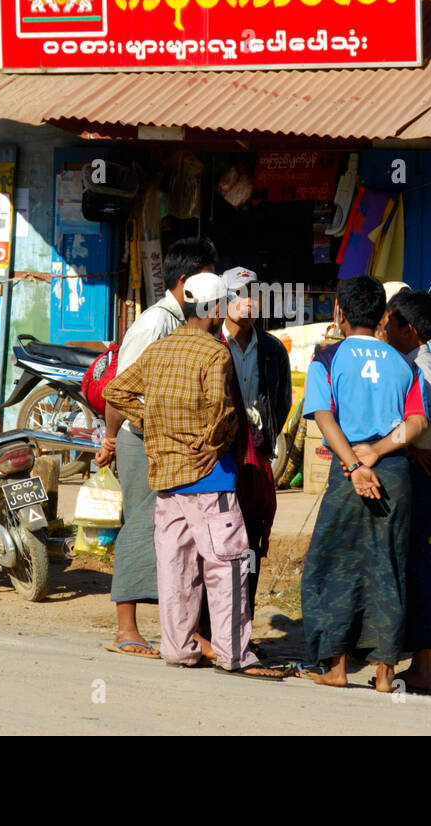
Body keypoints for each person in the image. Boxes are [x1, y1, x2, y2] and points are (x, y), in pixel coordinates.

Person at [104, 273, 286, 681]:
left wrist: (151, 423)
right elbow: (223, 414)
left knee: (176, 567)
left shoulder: (161, 348)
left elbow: (116, 392)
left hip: (167, 478)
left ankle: (178, 648)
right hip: (209, 478)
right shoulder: (213, 354)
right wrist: (212, 440)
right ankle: (234, 653)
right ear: (215, 309)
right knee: (229, 564)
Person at [301, 275, 427, 692]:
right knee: (389, 565)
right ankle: (385, 673)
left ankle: (336, 668)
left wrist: (355, 464)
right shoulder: (405, 363)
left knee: (332, 564)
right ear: (383, 316)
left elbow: (323, 417)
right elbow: (416, 422)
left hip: (346, 470)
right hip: (393, 471)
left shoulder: (325, 358)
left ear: (339, 313)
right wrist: (378, 452)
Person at [94, 237, 217, 658]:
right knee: (140, 524)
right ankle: (126, 628)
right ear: (185, 282)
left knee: (177, 534)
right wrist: (110, 441)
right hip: (140, 439)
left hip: (169, 443)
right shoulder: (156, 323)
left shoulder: (183, 322)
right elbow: (118, 391)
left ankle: (183, 629)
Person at [380, 289, 431, 694]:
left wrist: (412, 444)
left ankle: (423, 669)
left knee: (419, 570)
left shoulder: (420, 363)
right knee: (429, 569)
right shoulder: (416, 358)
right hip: (421, 470)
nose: (385, 327)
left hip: (418, 473)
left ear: (409, 330)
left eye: (391, 322)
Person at [219, 266, 292, 616]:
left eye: (254, 295)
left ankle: (243, 618)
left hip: (255, 458)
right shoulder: (210, 343)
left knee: (250, 538)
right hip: (217, 458)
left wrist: (263, 442)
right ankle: (212, 623)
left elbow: (281, 402)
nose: (248, 303)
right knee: (218, 539)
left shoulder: (273, 350)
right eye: (239, 295)